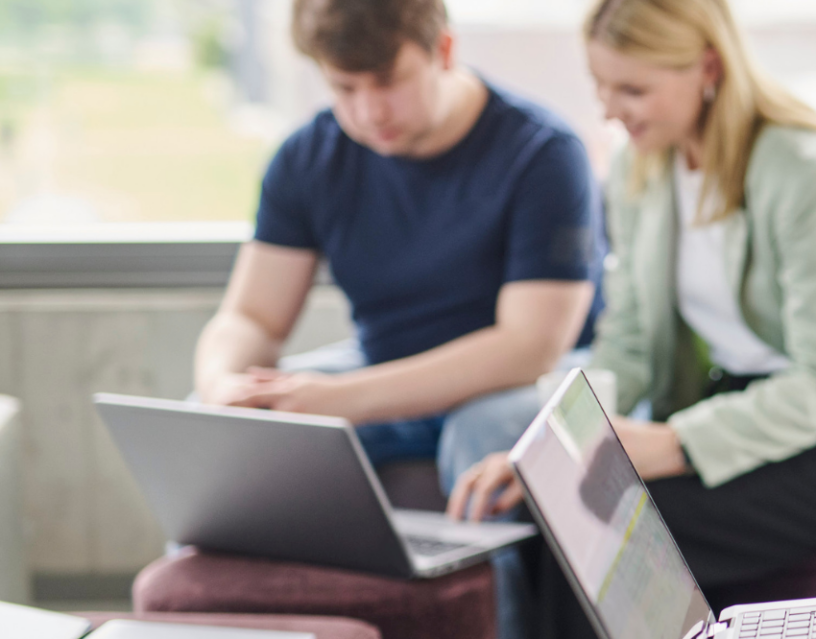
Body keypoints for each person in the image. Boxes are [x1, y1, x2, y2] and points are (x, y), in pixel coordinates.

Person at [448, 0, 816, 635]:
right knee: (558, 521)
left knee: (611, 535)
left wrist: (674, 444)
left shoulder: (809, 171)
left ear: (707, 66)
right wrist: (565, 448)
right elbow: (625, 342)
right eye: (601, 86)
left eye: (633, 88)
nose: (608, 109)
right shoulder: (637, 168)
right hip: (741, 404)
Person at [193, 0, 603, 494]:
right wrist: (220, 385)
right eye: (344, 87)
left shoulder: (544, 154)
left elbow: (529, 347)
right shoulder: (307, 158)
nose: (369, 112)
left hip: (528, 380)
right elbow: (253, 317)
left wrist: (344, 398)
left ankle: (501, 575)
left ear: (443, 50)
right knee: (212, 421)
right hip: (383, 367)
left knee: (483, 428)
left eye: (388, 80)